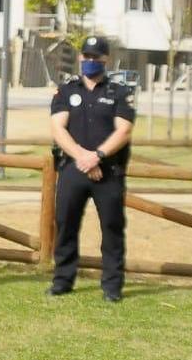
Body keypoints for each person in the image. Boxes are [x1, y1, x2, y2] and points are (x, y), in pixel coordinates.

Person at [46, 35, 135, 302]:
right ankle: (63, 280)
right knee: (66, 225)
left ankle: (111, 286)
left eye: (96, 57)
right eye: (86, 56)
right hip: (73, 169)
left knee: (112, 228)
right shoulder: (67, 91)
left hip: (108, 171)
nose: (90, 61)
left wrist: (96, 157)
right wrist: (83, 158)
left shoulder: (119, 92)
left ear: (105, 60)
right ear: (80, 57)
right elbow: (57, 128)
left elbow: (124, 130)